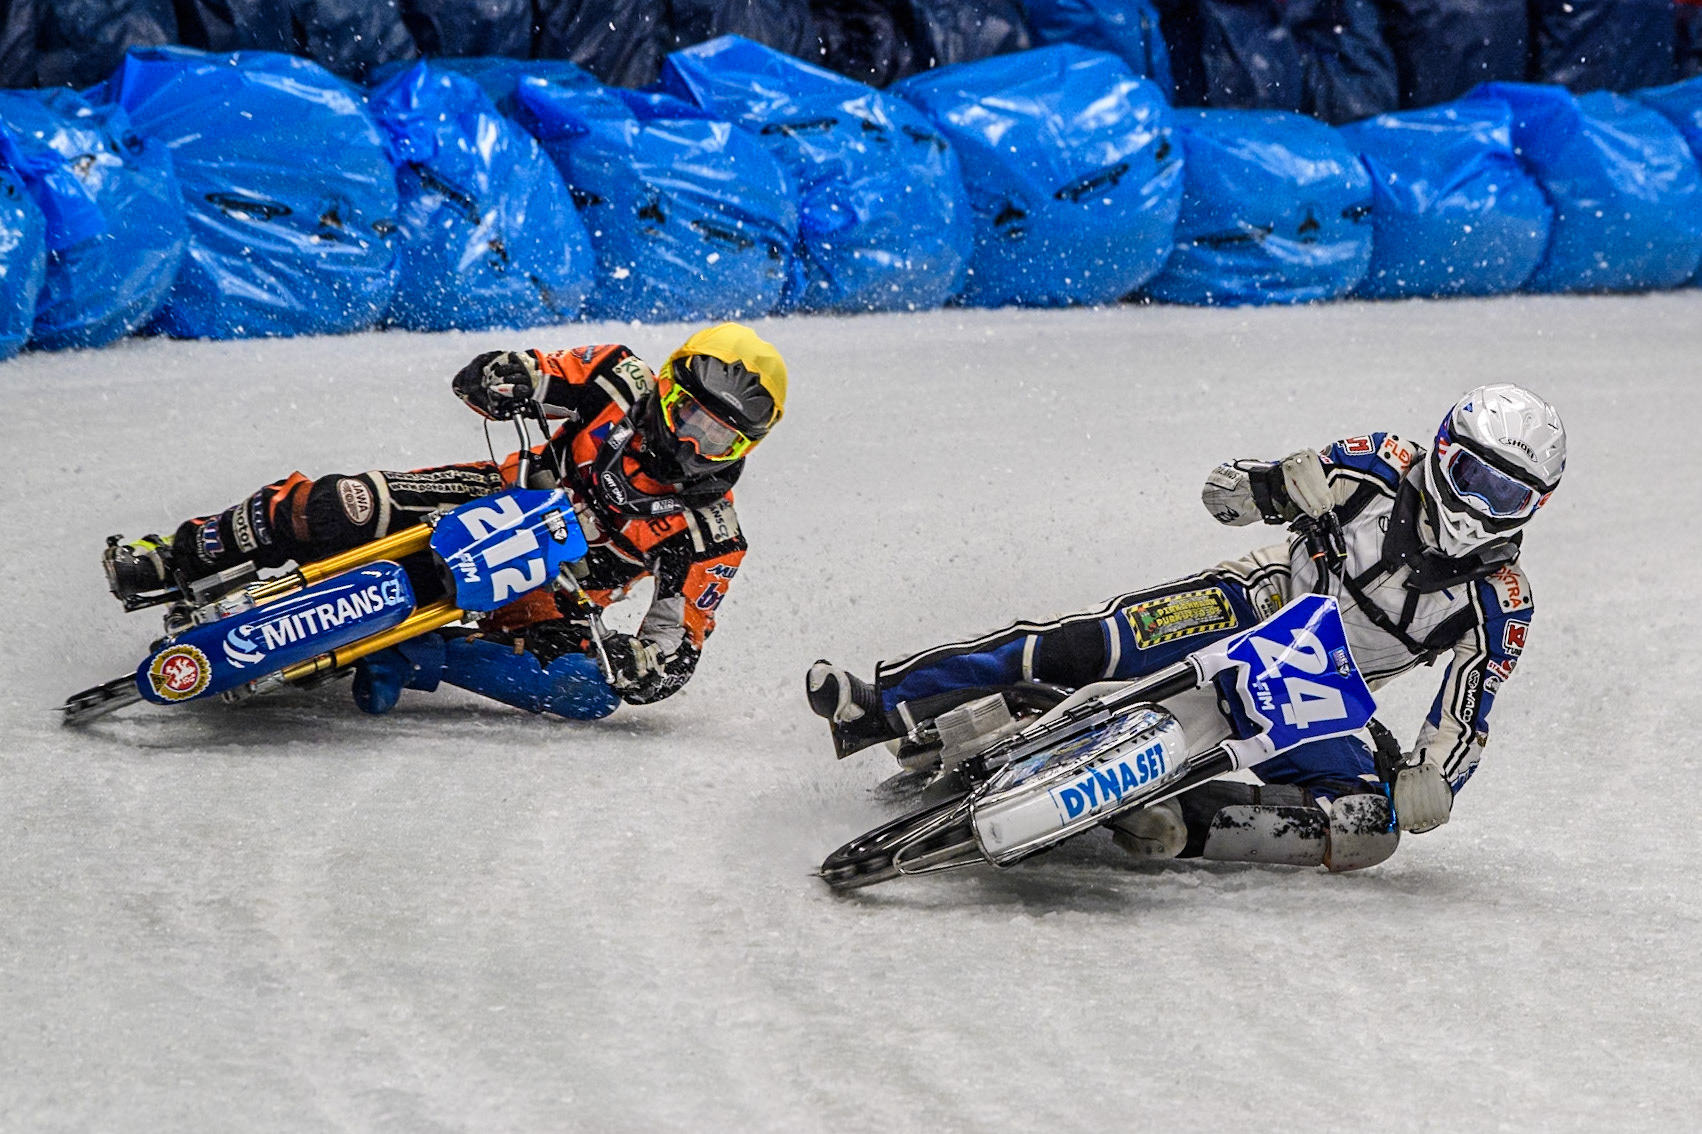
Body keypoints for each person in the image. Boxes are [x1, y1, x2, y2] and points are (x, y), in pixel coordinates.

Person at [807, 384, 1565, 871]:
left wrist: (1435, 778)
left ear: (1535, 509)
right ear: (1440, 453)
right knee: (1091, 642)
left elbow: (1465, 715)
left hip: (1317, 692)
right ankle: (881, 701)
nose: (1481, 507)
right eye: (1474, 478)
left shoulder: (1502, 601)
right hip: (1256, 601)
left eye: (1510, 496)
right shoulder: (1376, 466)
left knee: (1370, 827)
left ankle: (1170, 819)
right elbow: (1229, 491)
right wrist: (1270, 486)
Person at [104, 322, 787, 720]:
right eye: (691, 418)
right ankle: (181, 553)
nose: (696, 446)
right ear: (666, 388)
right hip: (494, 496)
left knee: (590, 693)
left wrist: (644, 665)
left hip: (555, 591)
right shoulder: (619, 377)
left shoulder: (713, 535)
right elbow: (527, 373)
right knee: (342, 505)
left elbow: (678, 644)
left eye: (721, 439)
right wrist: (506, 376)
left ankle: (405, 650)